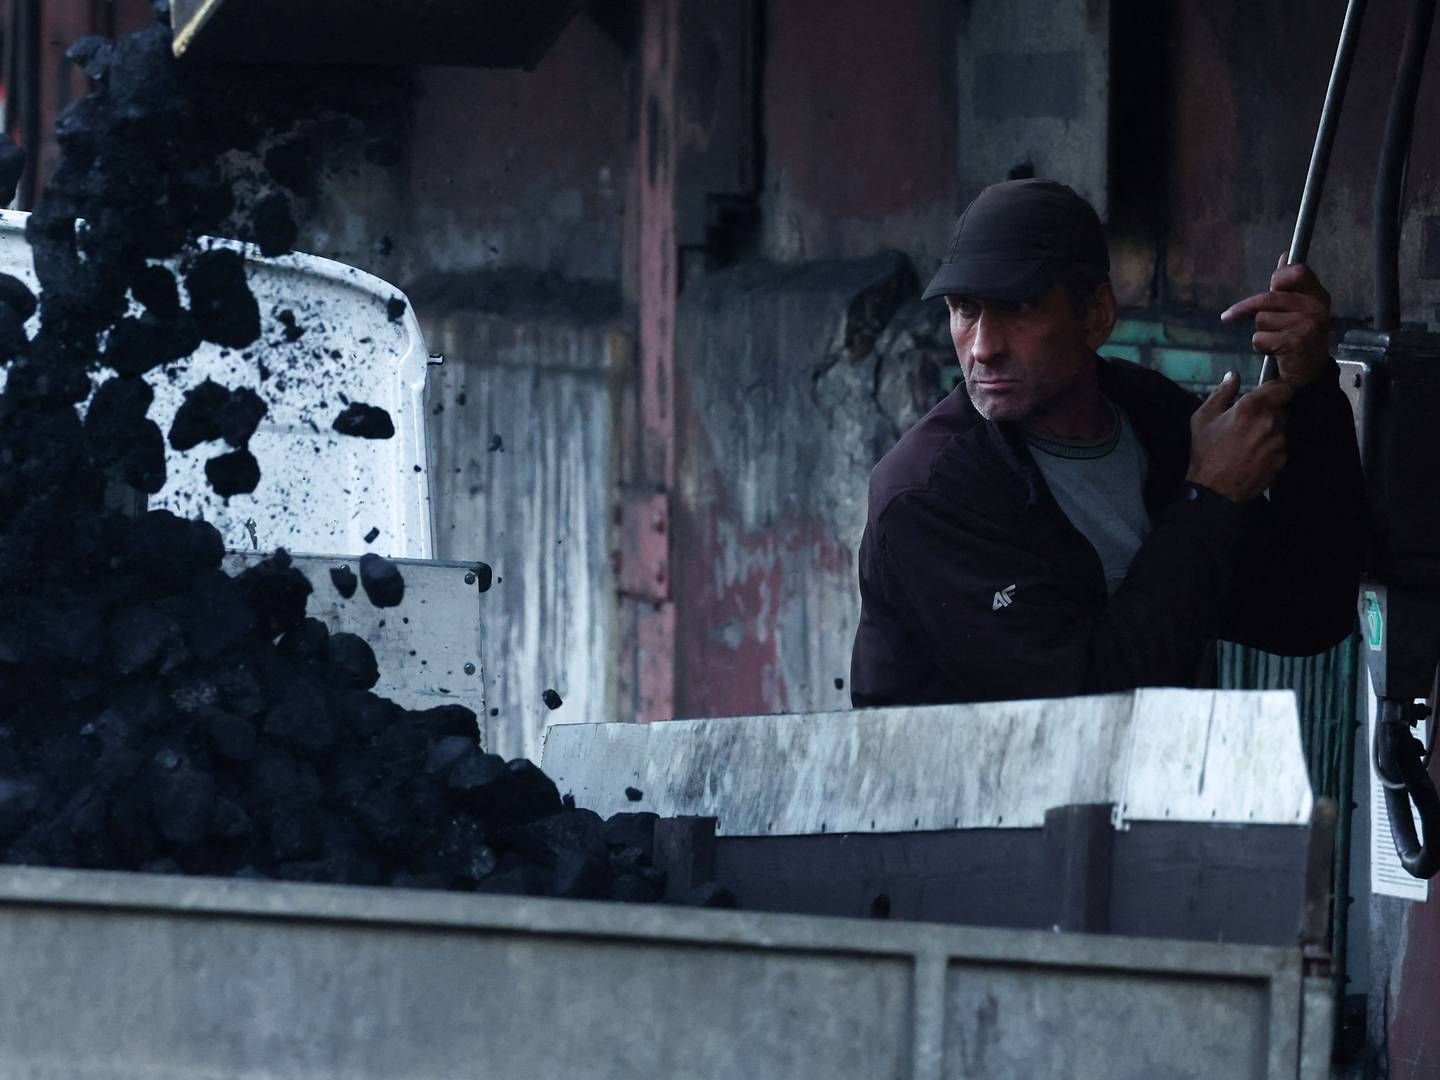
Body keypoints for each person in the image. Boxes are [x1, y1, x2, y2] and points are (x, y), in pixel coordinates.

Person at [849, 178, 1364, 707]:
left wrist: (1308, 387)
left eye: (1018, 307)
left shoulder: (1153, 421)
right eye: (964, 309)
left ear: (1096, 315)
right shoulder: (927, 496)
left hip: (1154, 786)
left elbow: (1310, 611)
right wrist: (1207, 500)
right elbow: (1080, 715)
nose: (982, 348)